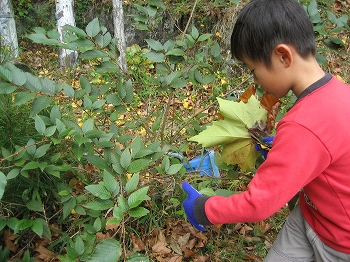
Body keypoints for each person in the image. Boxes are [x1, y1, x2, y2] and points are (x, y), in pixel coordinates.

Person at [182, 0, 350, 261]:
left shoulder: (302, 125)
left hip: (338, 242)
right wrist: (282, 147)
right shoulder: (339, 93)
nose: (256, 81)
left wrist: (205, 209)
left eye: (254, 70)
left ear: (283, 56)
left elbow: (260, 203)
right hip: (310, 213)